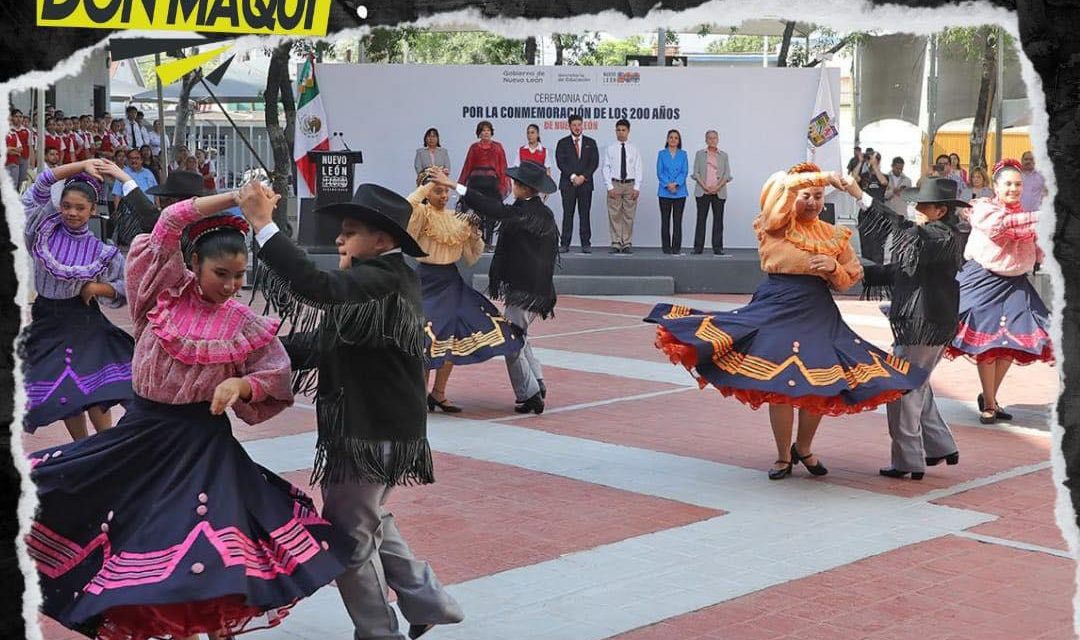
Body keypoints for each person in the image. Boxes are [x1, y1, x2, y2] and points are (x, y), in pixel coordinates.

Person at [26, 182, 354, 640]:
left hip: (204, 447)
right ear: (194, 264)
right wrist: (234, 199)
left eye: (240, 276)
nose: (232, 286)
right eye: (221, 273)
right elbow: (167, 225)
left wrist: (241, 384)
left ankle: (212, 628)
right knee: (123, 529)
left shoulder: (243, 321)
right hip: (143, 436)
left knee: (212, 547)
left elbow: (274, 373)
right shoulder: (158, 295)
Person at [249, 182, 464, 640]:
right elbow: (324, 342)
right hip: (379, 429)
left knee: (347, 538)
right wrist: (251, 353)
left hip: (371, 432)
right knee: (368, 518)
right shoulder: (382, 279)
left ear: (382, 241)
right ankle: (428, 600)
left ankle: (378, 631)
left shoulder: (380, 279)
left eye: (350, 232)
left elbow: (317, 286)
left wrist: (264, 226)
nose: (339, 240)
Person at [645, 162, 927, 479]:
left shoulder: (833, 234)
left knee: (821, 381)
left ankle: (803, 448)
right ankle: (782, 456)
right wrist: (823, 177)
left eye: (819, 196)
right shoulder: (776, 222)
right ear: (793, 195)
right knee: (780, 382)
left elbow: (849, 279)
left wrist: (831, 269)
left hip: (817, 311)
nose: (813, 201)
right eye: (806, 194)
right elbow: (778, 186)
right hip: (777, 304)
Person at [840, 176, 967, 480]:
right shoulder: (933, 235)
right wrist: (859, 273)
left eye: (923, 204)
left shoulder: (942, 236)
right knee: (916, 382)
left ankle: (908, 461)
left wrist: (861, 195)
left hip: (924, 324)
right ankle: (939, 445)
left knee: (903, 388)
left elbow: (899, 229)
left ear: (940, 210)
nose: (917, 208)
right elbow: (901, 271)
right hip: (928, 322)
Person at [430, 161, 559, 415]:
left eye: (515, 183)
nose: (511, 185)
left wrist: (453, 185)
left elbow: (493, 208)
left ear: (523, 188)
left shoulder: (525, 213)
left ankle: (530, 394)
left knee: (510, 341)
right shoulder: (539, 212)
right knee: (519, 336)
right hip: (536, 290)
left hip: (527, 291)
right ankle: (538, 382)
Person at [19, 159, 134, 440]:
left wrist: (97, 289)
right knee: (64, 393)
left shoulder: (100, 250)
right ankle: (82, 448)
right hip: (47, 318)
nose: (72, 213)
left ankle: (106, 445)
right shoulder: (41, 231)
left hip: (83, 320)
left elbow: (125, 286)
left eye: (80, 208)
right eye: (67, 206)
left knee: (92, 390)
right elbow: (41, 184)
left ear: (93, 210)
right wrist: (81, 165)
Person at [406, 170, 524, 412]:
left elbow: (470, 257)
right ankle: (417, 395)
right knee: (427, 337)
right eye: (437, 191)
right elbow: (408, 205)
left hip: (450, 280)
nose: (443, 195)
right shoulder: (421, 214)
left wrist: (474, 232)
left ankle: (438, 393)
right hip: (426, 281)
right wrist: (428, 186)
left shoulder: (456, 218)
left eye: (445, 191)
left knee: (453, 335)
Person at [946, 158, 1053, 423]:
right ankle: (991, 402)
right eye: (1008, 184)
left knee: (1014, 340)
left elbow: (1038, 246)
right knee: (989, 341)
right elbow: (1002, 228)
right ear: (996, 186)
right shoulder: (984, 209)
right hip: (984, 280)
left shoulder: (1027, 215)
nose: (1013, 189)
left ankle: (990, 396)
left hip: (1016, 283)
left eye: (1018, 184)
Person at [458, 121, 509, 253]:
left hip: (492, 185)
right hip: (476, 184)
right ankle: (478, 242)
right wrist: (461, 185)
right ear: (479, 133)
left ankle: (489, 242)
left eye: (488, 130)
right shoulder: (474, 148)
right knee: (477, 214)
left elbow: (503, 167)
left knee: (492, 213)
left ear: (491, 132)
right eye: (483, 130)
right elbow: (467, 167)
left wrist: (503, 185)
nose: (485, 132)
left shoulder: (497, 147)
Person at [555, 113, 599, 254]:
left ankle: (585, 243)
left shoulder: (590, 143)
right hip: (568, 184)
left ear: (583, 125)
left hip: (585, 184)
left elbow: (594, 163)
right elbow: (561, 163)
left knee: (584, 214)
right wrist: (573, 176)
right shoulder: (562, 143)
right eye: (574, 125)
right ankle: (565, 243)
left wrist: (583, 177)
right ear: (569, 126)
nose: (577, 127)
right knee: (568, 214)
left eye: (579, 124)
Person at [601, 119, 642, 254]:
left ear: (628, 131)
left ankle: (627, 242)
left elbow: (638, 168)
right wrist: (609, 186)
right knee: (615, 214)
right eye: (618, 130)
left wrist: (637, 187)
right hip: (615, 184)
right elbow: (606, 167)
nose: (621, 132)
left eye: (623, 130)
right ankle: (616, 242)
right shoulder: (610, 148)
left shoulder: (634, 148)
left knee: (629, 215)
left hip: (629, 184)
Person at [690, 129, 733, 255]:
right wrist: (705, 187)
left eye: (714, 138)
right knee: (701, 220)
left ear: (718, 139)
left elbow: (727, 174)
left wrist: (717, 187)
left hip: (719, 192)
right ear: (706, 140)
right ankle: (698, 248)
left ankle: (718, 248)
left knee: (718, 220)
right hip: (703, 192)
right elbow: (696, 173)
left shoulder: (724, 155)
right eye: (709, 138)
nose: (712, 140)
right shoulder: (700, 154)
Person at [656, 129, 689, 255]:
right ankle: (666, 247)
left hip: (680, 192)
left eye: (676, 138)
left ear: (679, 140)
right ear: (667, 139)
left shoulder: (683, 154)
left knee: (677, 221)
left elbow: (684, 172)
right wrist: (668, 185)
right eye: (671, 137)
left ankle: (676, 248)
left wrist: (676, 184)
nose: (673, 140)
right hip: (664, 192)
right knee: (665, 220)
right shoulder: (662, 154)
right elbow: (660, 172)